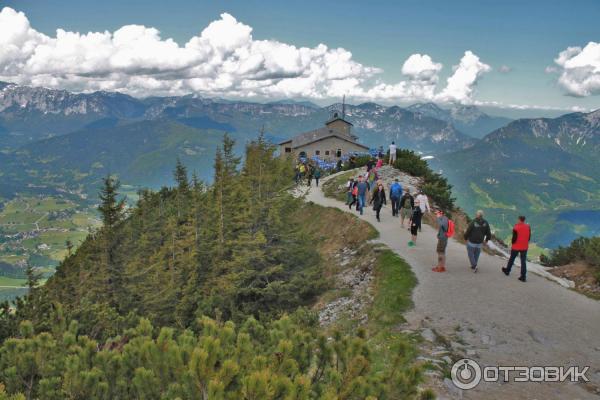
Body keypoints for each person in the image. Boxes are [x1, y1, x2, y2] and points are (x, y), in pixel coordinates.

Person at [502, 216, 531, 282]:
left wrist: (512, 243)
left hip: (516, 246)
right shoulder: (528, 227)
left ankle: (507, 271)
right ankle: (523, 277)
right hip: (524, 247)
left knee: (512, 259)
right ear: (524, 220)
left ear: (519, 220)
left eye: (518, 219)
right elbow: (529, 238)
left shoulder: (516, 227)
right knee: (523, 261)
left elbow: (514, 239)